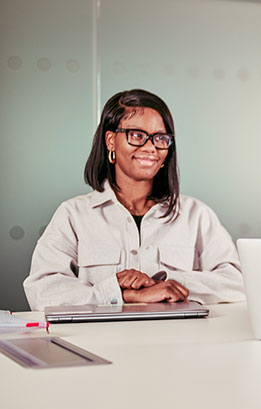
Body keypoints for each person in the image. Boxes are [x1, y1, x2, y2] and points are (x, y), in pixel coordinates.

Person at [24, 89, 245, 310]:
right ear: (111, 141)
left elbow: (238, 285)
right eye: (137, 135)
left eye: (160, 138)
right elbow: (42, 292)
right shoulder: (73, 215)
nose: (150, 148)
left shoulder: (196, 215)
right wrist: (122, 294)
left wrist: (167, 285)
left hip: (177, 341)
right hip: (96, 343)